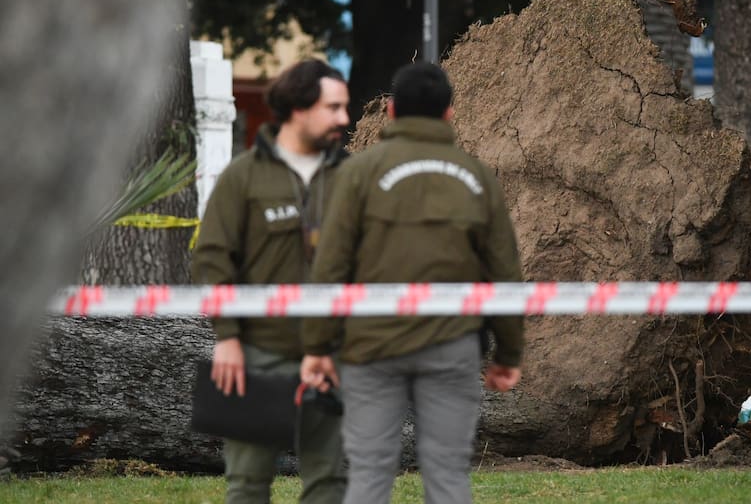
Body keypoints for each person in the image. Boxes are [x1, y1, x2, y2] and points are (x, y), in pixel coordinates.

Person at [300, 61, 524, 504]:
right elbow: (503, 272)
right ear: (450, 114)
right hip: (452, 344)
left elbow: (330, 267)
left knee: (368, 474)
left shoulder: (357, 174)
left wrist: (317, 346)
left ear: (390, 110)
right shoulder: (477, 177)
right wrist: (509, 353)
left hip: (370, 347)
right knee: (447, 475)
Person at [192, 59, 349, 504]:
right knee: (247, 484)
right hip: (257, 356)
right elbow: (212, 259)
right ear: (299, 109)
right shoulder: (243, 176)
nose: (344, 118)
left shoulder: (351, 177)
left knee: (329, 485)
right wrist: (227, 338)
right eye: (333, 107)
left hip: (335, 356)